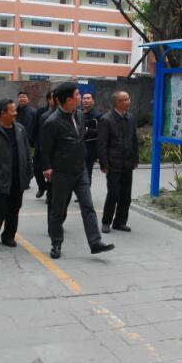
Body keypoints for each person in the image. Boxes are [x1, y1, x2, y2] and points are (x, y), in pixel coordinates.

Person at [39, 82, 115, 259]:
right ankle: (56, 243)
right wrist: (47, 168)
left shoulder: (79, 115)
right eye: (77, 95)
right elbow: (45, 149)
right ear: (68, 100)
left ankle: (95, 242)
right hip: (61, 172)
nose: (80, 97)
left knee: (88, 207)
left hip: (80, 170)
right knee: (58, 210)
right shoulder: (52, 122)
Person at [0, 99, 32, 251]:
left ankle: (9, 236)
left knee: (14, 208)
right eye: (12, 110)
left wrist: (29, 171)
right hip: (1, 179)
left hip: (18, 177)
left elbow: (27, 152)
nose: (15, 113)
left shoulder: (20, 129)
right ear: (2, 113)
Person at [98, 91, 139, 233]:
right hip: (113, 163)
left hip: (128, 162)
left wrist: (135, 159)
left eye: (129, 98)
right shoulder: (106, 119)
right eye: (126, 99)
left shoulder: (130, 118)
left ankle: (120, 222)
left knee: (126, 195)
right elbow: (102, 144)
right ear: (118, 102)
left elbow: (134, 140)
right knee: (113, 193)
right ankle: (106, 221)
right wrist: (104, 164)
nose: (129, 101)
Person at [32, 90, 56, 200]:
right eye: (52, 98)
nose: (54, 100)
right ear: (48, 99)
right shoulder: (41, 112)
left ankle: (50, 194)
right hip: (39, 144)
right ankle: (42, 187)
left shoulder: (60, 113)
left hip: (51, 148)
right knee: (37, 168)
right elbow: (35, 128)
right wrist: (32, 143)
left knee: (50, 170)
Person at [81, 92, 102, 184]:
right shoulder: (78, 113)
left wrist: (87, 130)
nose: (85, 100)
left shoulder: (98, 116)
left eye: (88, 98)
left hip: (89, 149)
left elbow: (101, 132)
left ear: (93, 101)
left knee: (87, 172)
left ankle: (86, 191)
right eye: (84, 98)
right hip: (77, 147)